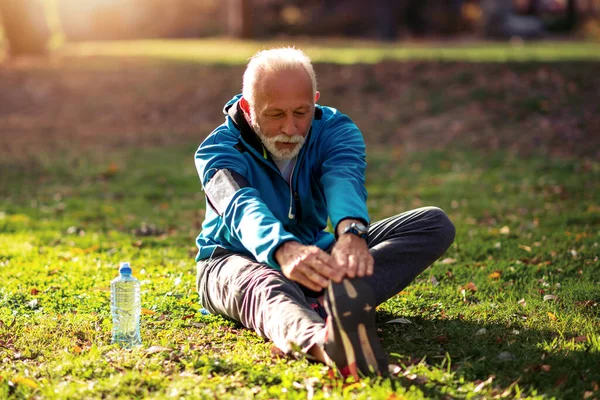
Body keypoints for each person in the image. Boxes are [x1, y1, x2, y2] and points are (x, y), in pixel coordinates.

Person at [194, 47, 455, 379]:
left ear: (315, 100)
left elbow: (343, 179)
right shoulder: (217, 151)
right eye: (275, 115)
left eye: (301, 112)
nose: (290, 128)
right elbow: (240, 206)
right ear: (248, 108)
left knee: (432, 223)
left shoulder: (335, 130)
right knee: (267, 286)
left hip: (315, 251)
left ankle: (331, 299)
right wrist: (282, 249)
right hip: (231, 259)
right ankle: (325, 341)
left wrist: (351, 233)